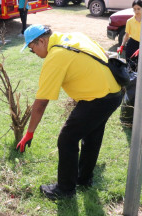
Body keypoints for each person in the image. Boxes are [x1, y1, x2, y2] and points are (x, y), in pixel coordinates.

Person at [17, 24, 123, 200]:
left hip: (98, 99)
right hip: (114, 93)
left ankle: (65, 189)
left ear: (41, 41)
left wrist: (29, 133)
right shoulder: (76, 36)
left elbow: (41, 103)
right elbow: (103, 55)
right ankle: (84, 179)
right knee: (92, 135)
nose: (34, 53)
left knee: (67, 139)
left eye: (32, 49)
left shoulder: (55, 57)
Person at [117, 0, 142, 69]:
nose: (136, 11)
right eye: (134, 9)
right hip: (132, 45)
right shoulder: (129, 21)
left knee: (140, 68)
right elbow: (127, 35)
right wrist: (122, 46)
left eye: (138, 9)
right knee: (130, 67)